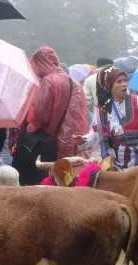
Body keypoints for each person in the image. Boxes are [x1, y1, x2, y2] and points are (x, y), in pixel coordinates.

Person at [13, 46, 89, 186]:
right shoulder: (74, 82)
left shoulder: (48, 81)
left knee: (38, 183)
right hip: (66, 142)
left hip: (43, 143)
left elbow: (40, 116)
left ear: (40, 62)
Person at [73, 65, 138, 170]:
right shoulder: (102, 109)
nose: (124, 84)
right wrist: (83, 140)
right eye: (119, 82)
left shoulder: (137, 102)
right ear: (108, 85)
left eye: (125, 80)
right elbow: (95, 134)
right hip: (117, 165)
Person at [85, 58, 115, 158]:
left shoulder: (90, 79)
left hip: (100, 116)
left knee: (104, 143)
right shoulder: (116, 76)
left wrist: (94, 111)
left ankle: (106, 165)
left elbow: (87, 100)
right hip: (117, 115)